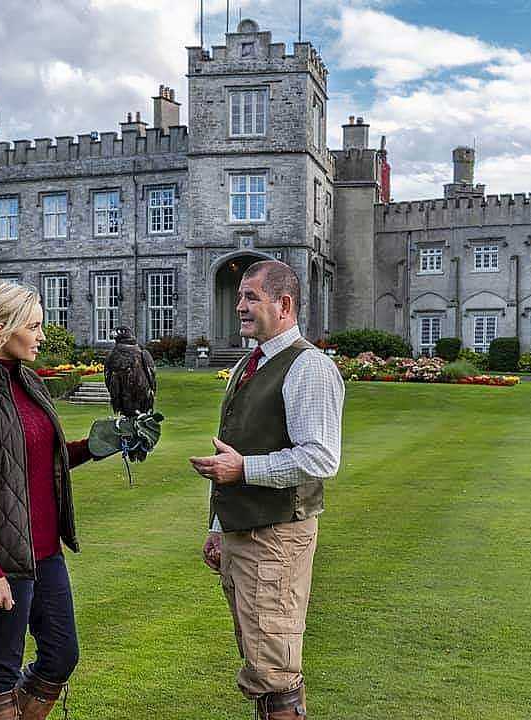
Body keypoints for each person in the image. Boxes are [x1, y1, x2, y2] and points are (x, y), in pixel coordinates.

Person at [0, 280, 144, 720]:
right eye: (33, 326)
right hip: (4, 557)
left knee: (61, 655)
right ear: (2, 327)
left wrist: (95, 445)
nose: (41, 336)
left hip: (47, 550)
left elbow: (39, 460)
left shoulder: (29, 381)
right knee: (0, 671)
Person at [190, 260, 345, 719]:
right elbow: (234, 448)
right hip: (243, 533)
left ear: (284, 304)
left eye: (250, 297)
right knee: (259, 660)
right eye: (239, 296)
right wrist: (219, 529)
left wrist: (243, 471)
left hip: (276, 537)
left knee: (275, 671)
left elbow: (321, 457)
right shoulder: (248, 363)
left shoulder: (308, 368)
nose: (239, 306)